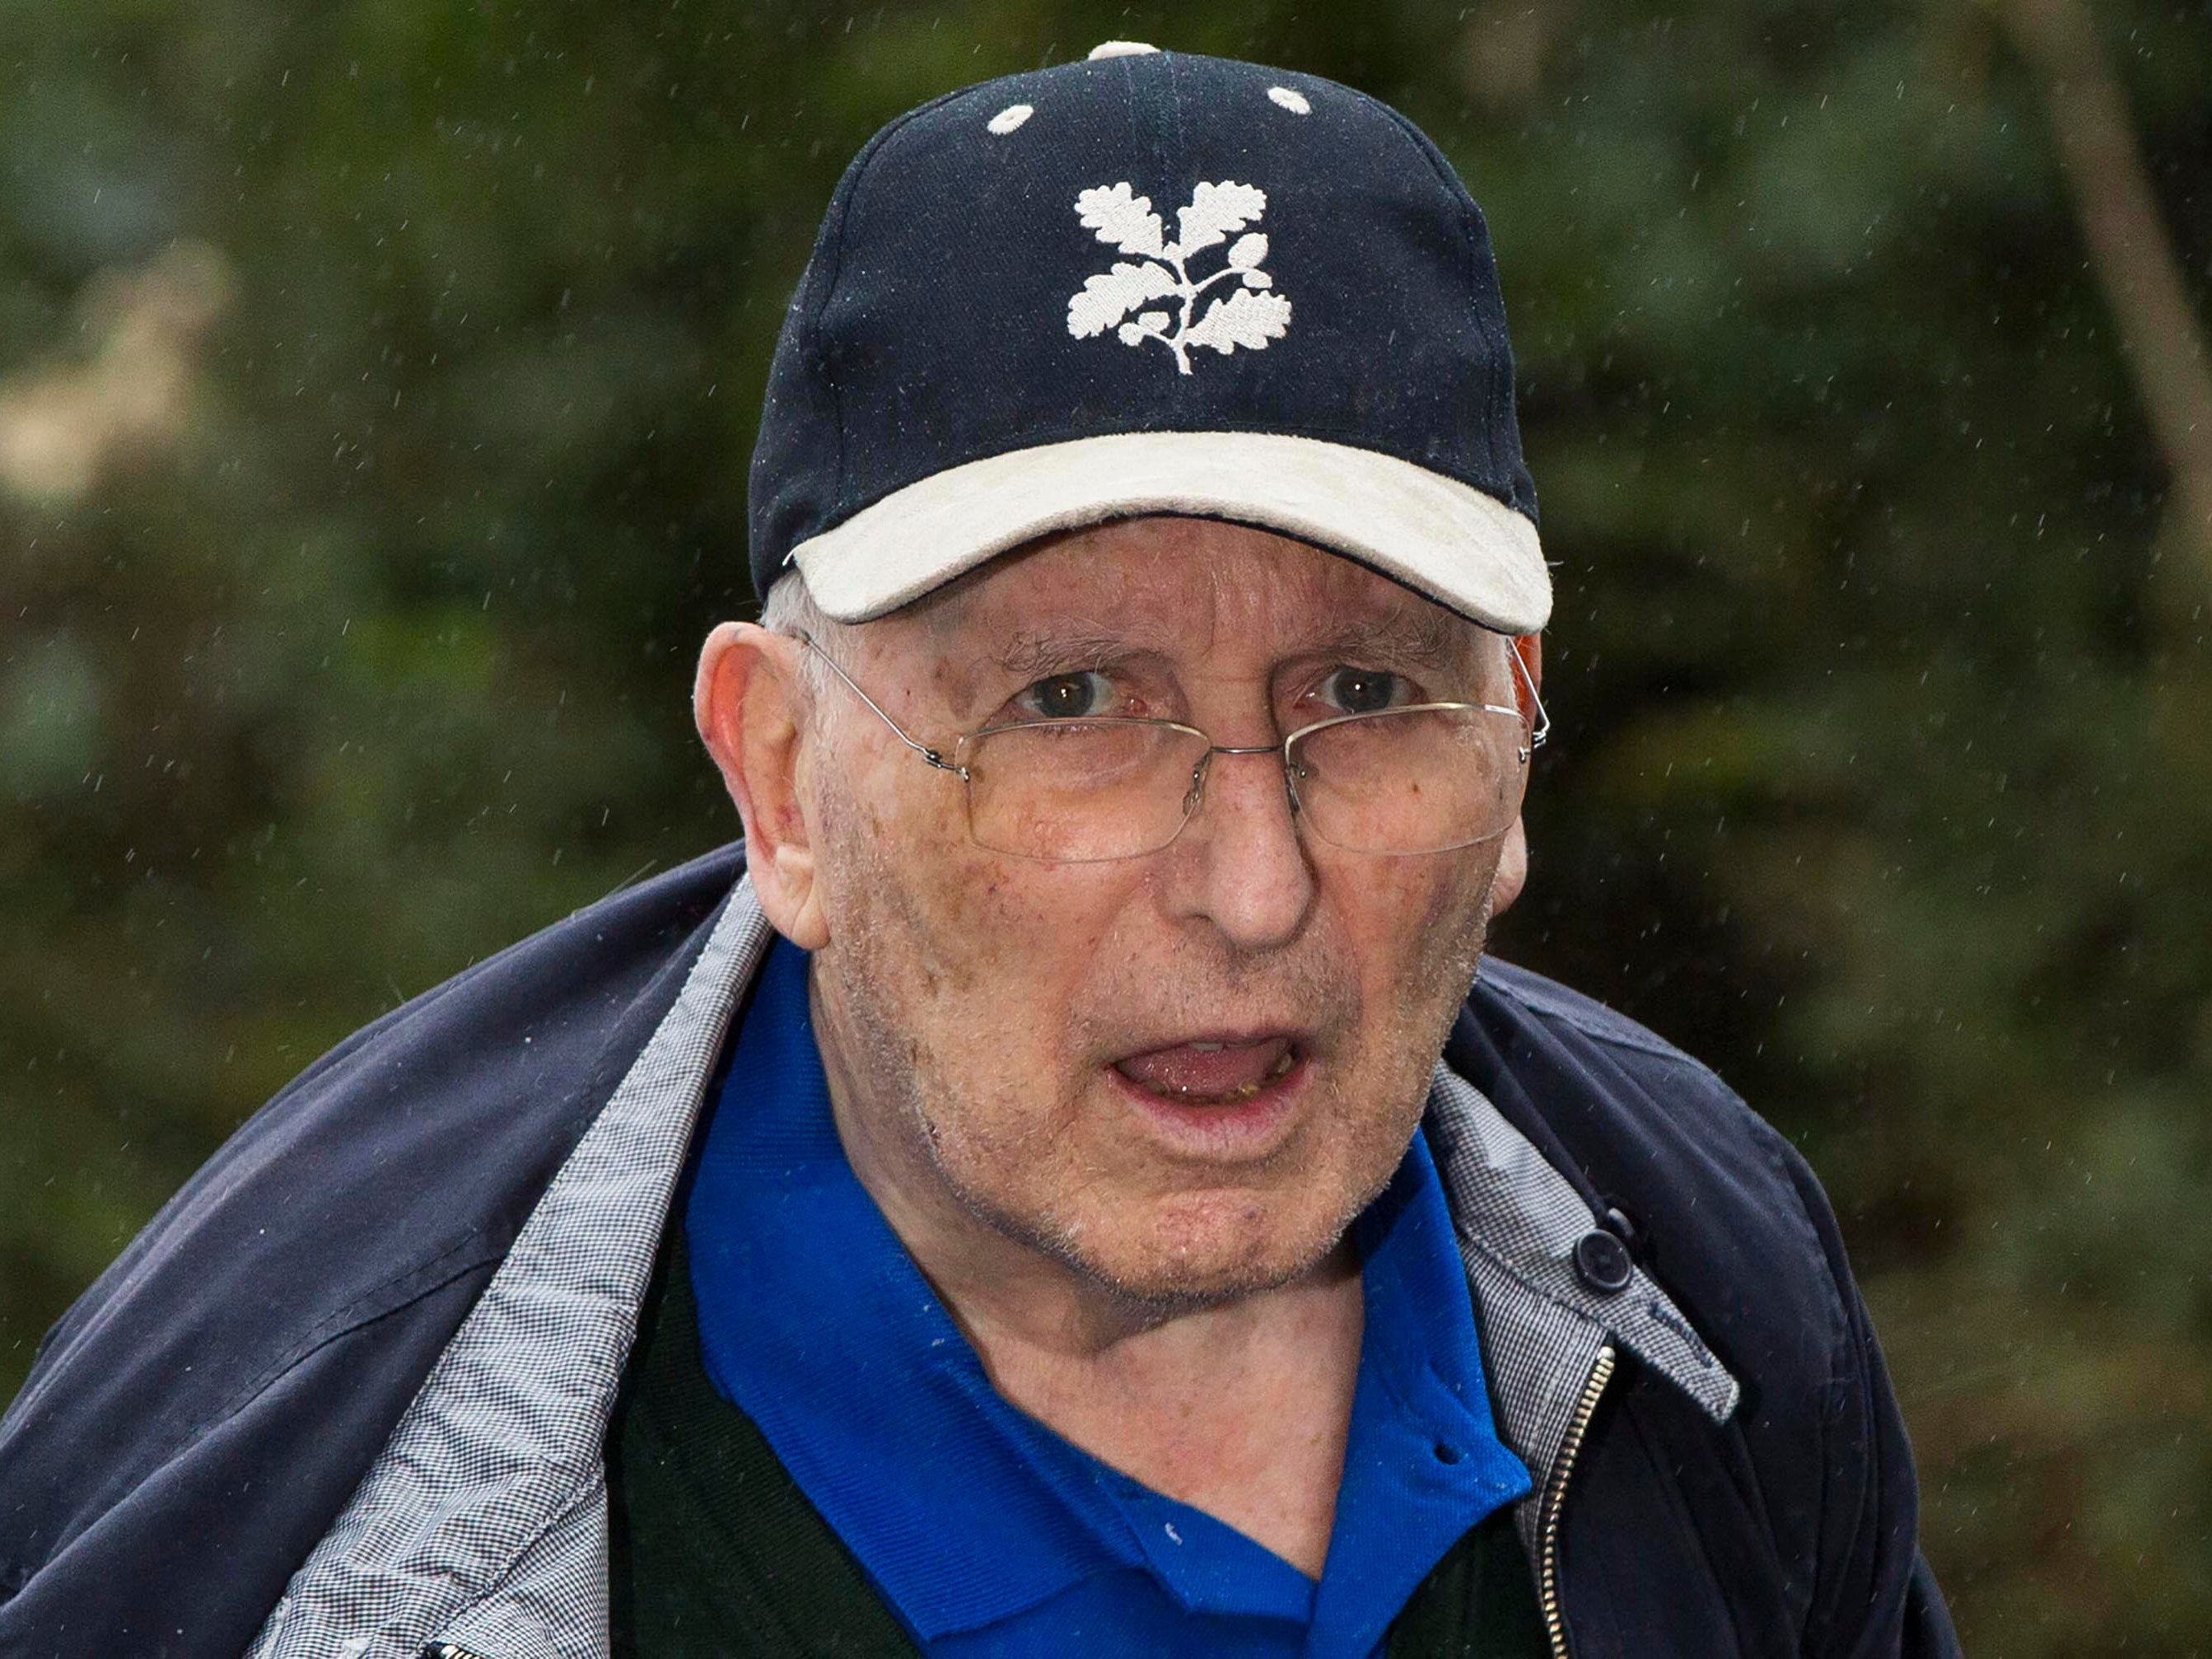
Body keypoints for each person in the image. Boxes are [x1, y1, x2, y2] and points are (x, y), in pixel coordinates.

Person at [0, 42, 1959, 1658]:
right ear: (781, 779)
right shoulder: (275, 1503)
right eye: (1071, 704)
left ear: (1518, 729)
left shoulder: (1703, 1285)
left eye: (1363, 691)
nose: (1253, 886)